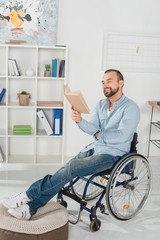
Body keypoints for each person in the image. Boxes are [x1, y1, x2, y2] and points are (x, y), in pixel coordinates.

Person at [1, 69, 140, 220]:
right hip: (96, 148)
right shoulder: (101, 105)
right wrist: (79, 120)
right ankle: (30, 207)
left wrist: (99, 134)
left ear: (121, 83)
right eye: (103, 82)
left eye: (109, 81)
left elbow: (122, 136)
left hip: (114, 155)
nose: (105, 85)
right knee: (67, 168)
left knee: (72, 168)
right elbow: (92, 128)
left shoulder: (131, 108)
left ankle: (28, 195)